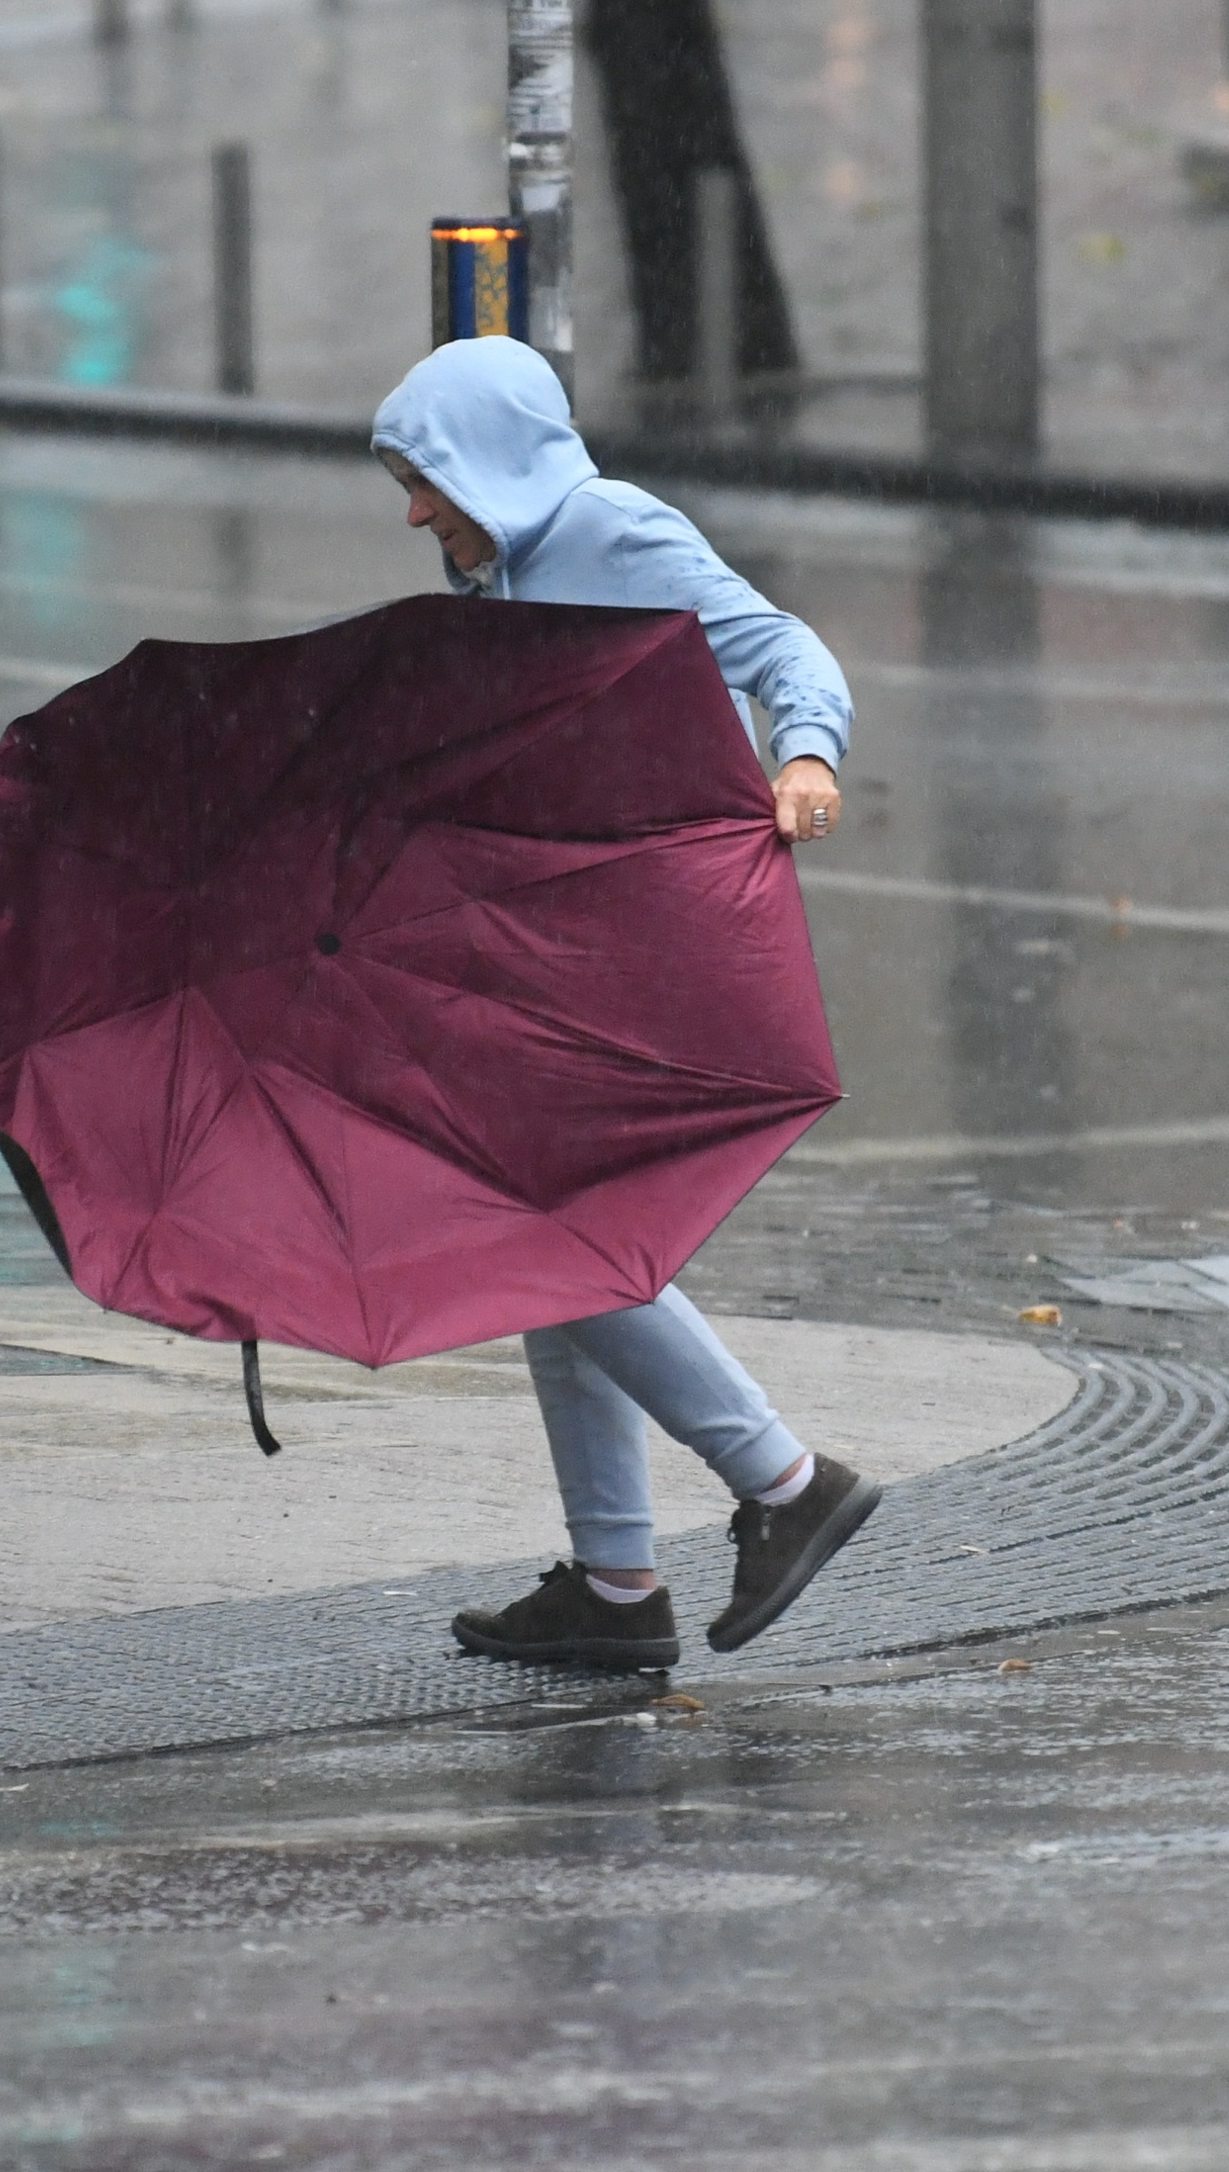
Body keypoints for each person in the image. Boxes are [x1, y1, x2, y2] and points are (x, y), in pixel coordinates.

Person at [370, 334, 880, 1673]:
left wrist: (808, 755)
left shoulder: (612, 533)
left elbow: (784, 648)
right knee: (554, 1243)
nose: (416, 512)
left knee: (545, 1230)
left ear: (489, 458)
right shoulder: (497, 575)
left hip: (642, 944)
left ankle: (783, 1483)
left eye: (426, 480)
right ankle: (614, 1584)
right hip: (553, 942)